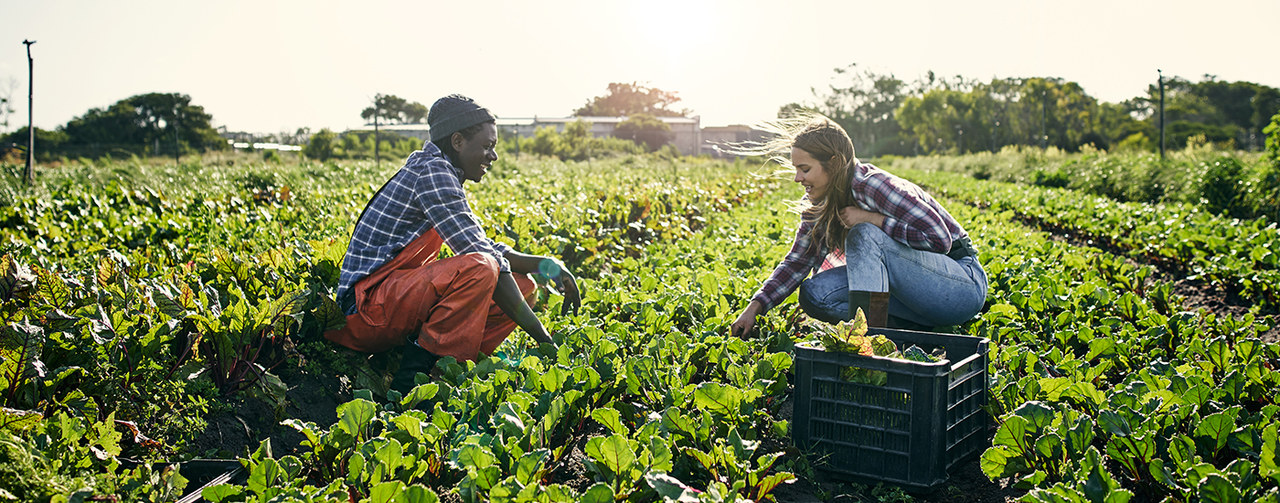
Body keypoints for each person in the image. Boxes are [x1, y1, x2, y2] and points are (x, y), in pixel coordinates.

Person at [325, 94, 581, 393]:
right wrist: (545, 340)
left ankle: (450, 369)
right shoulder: (433, 173)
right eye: (487, 147)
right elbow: (484, 258)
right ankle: (414, 381)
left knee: (523, 286)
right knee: (481, 269)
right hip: (363, 309)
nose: (492, 156)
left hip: (388, 300)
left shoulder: (440, 169)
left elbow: (486, 246)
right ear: (458, 141)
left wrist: (551, 267)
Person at [729, 114, 986, 337]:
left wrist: (873, 219)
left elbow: (940, 239)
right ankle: (900, 335)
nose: (798, 178)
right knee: (814, 294)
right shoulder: (818, 203)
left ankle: (871, 342)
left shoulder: (873, 186)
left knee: (864, 234)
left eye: (805, 169)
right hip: (909, 297)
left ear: (835, 162)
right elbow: (798, 261)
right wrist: (755, 306)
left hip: (959, 284)